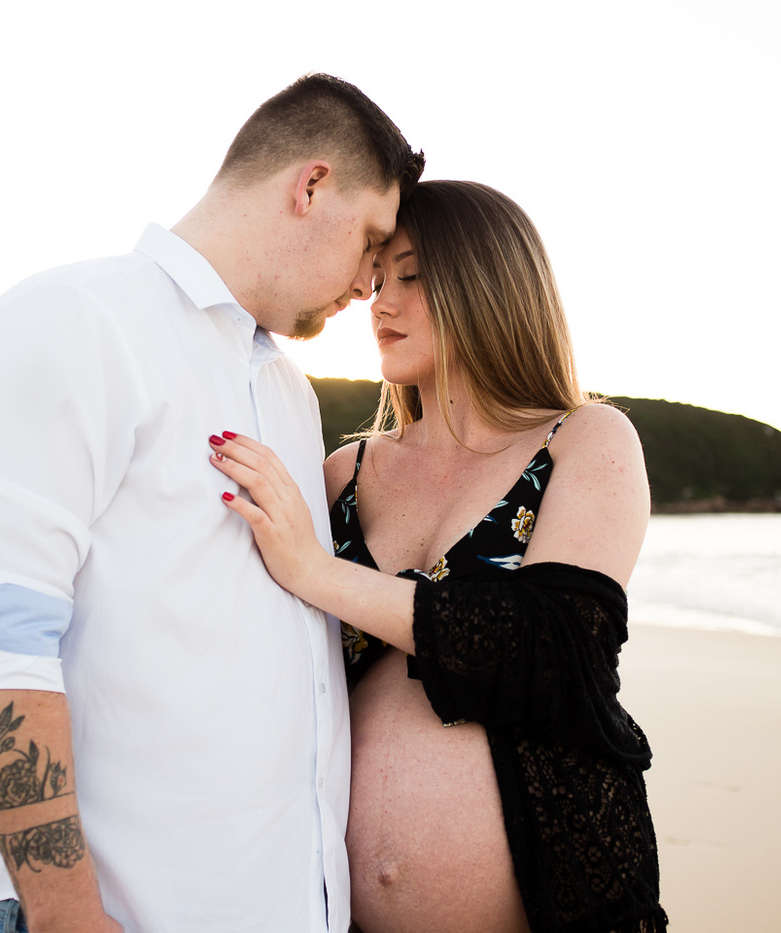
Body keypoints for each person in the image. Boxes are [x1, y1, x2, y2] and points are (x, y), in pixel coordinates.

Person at [0, 74, 424, 933]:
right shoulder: (75, 319)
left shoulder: (287, 389)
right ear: (311, 186)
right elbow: (0, 636)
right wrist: (65, 914)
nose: (368, 282)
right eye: (371, 239)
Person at [207, 180, 667, 932]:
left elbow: (555, 646)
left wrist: (318, 572)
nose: (380, 303)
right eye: (377, 280)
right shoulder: (344, 473)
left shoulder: (583, 438)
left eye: (412, 276)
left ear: (489, 282)